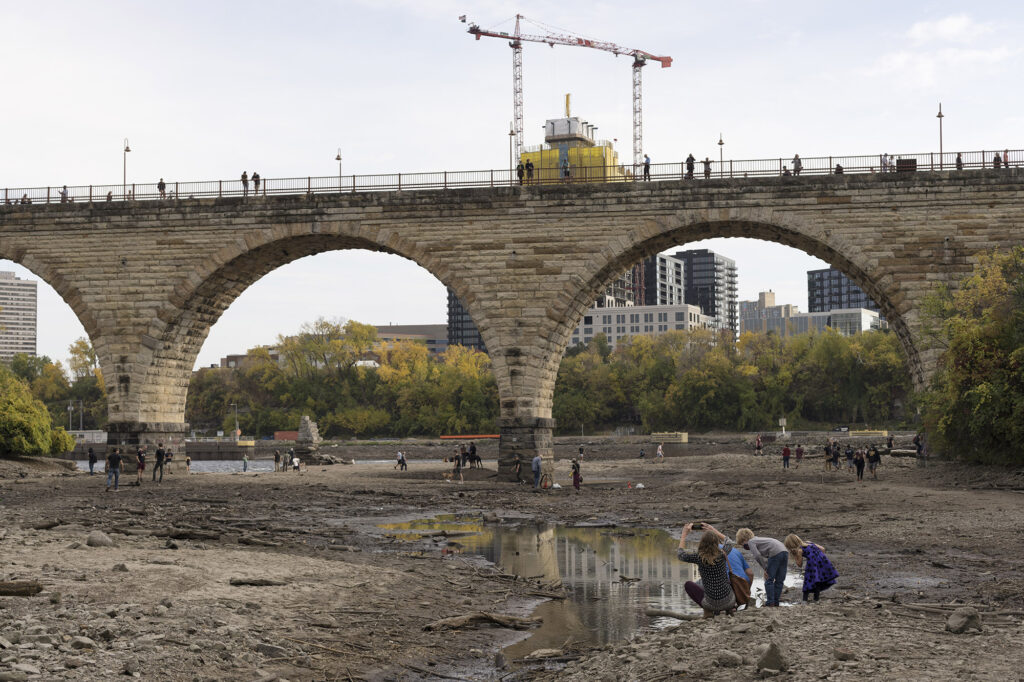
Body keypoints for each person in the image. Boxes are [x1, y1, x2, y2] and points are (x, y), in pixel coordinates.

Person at [677, 523, 737, 617]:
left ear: (702, 543)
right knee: (725, 580)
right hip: (729, 601)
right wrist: (713, 530)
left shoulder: (698, 557)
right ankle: (728, 609)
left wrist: (684, 535)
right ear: (717, 543)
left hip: (710, 604)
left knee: (689, 584)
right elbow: (729, 542)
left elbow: (681, 555)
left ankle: (708, 611)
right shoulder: (722, 554)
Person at [736, 528, 788, 607]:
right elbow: (768, 559)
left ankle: (770, 602)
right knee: (780, 580)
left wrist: (765, 568)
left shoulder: (751, 541)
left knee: (768, 579)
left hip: (774, 552)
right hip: (784, 551)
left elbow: (757, 556)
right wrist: (767, 566)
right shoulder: (759, 540)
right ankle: (776, 602)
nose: (743, 546)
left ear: (744, 539)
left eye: (742, 543)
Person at [784, 534, 838, 602]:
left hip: (813, 564)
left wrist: (795, 556)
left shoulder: (799, 550)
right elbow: (823, 549)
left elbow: (799, 564)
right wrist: (817, 556)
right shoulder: (809, 542)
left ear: (791, 545)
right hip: (823, 561)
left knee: (808, 580)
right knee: (818, 579)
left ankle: (804, 600)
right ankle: (816, 599)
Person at [724, 541, 754, 608]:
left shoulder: (712, 551)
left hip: (726, 585)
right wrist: (747, 590)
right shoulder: (735, 550)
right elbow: (750, 574)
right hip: (742, 582)